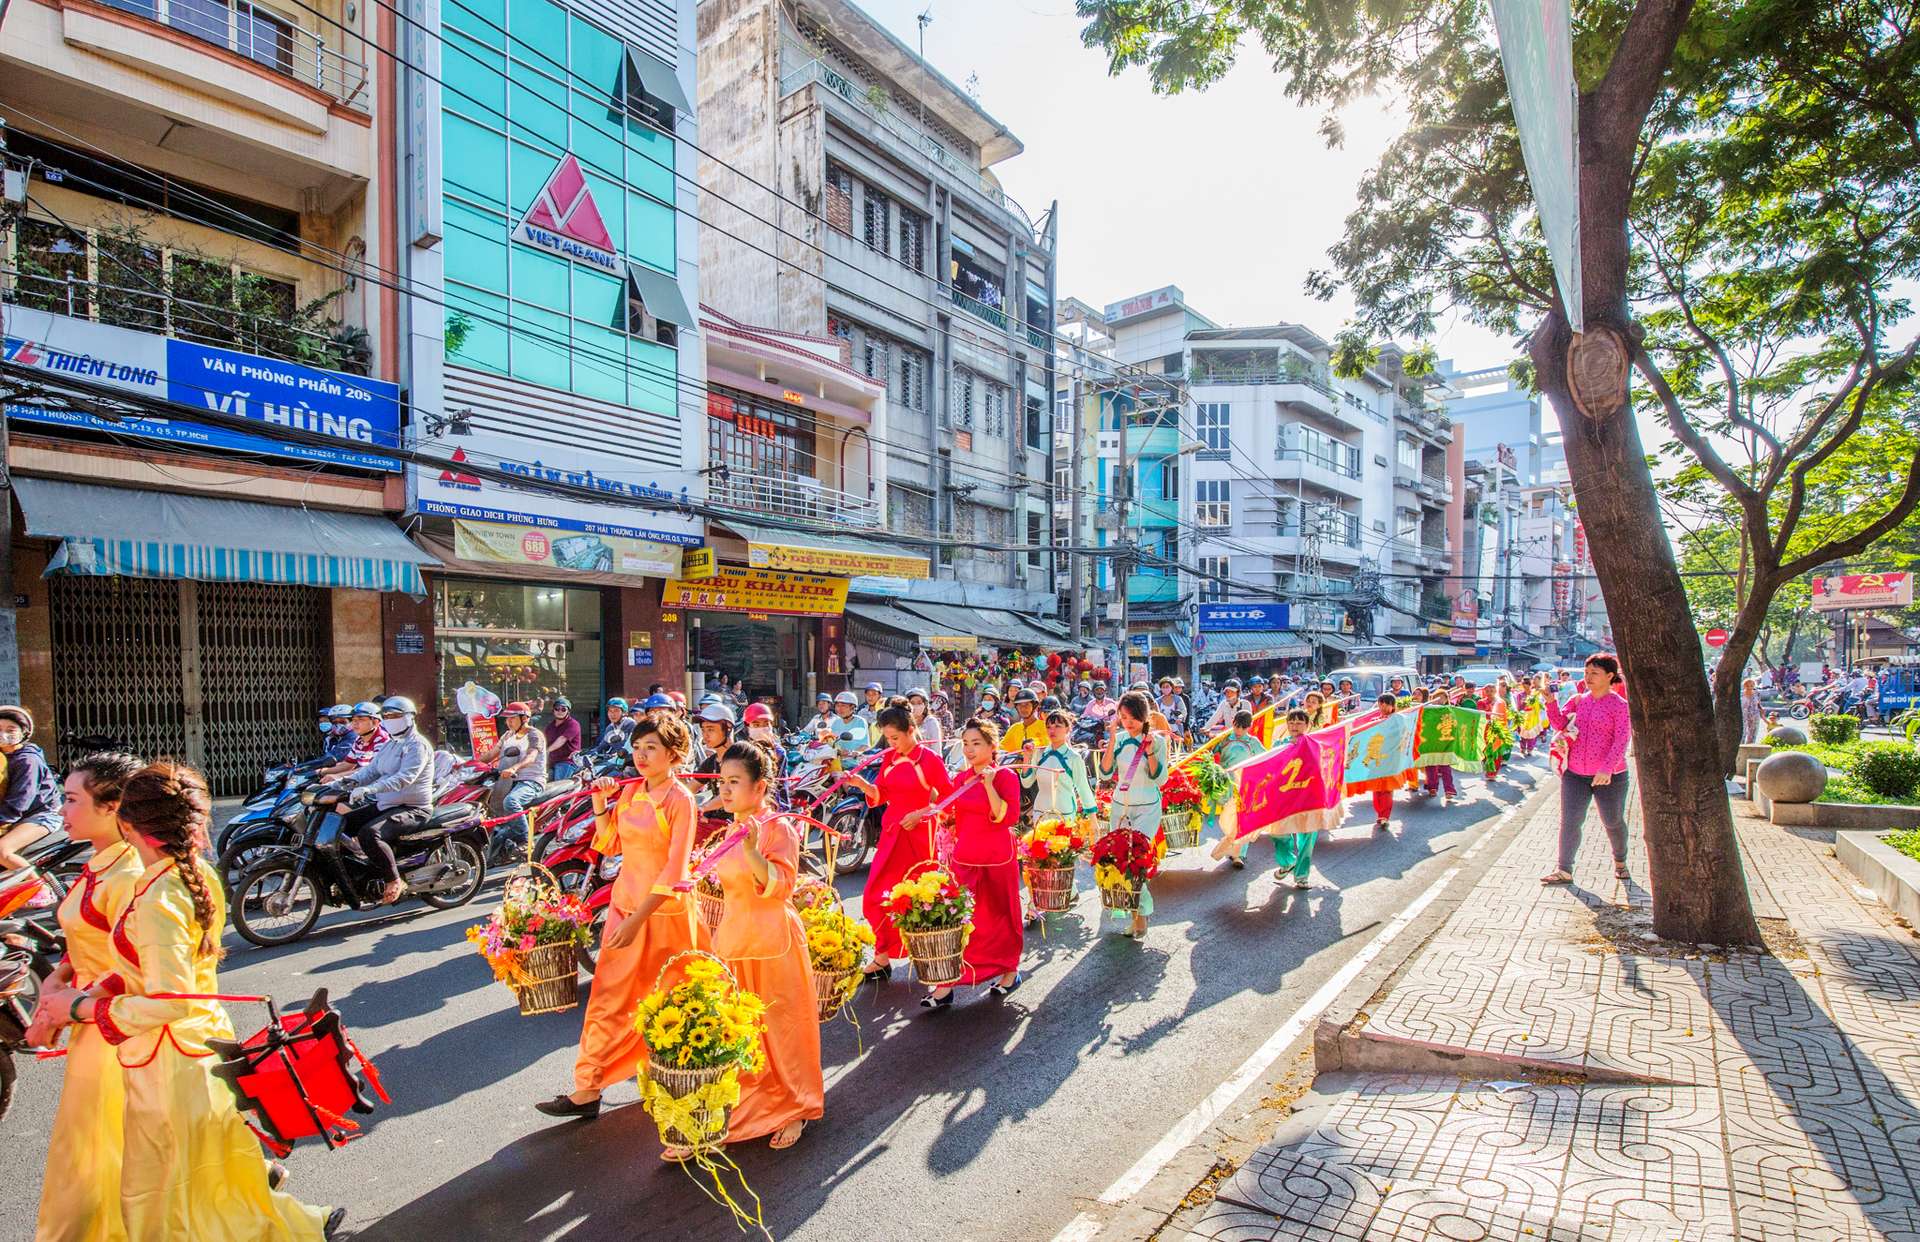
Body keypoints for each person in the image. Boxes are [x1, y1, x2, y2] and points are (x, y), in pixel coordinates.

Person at [43, 761, 340, 1239]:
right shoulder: (190, 874)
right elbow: (154, 974)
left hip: (170, 1063)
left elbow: (170, 1000)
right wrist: (98, 988)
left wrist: (79, 1008)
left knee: (162, 1196)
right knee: (213, 1183)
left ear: (126, 822)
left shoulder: (160, 894)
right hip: (196, 1046)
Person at [536, 716, 701, 1120]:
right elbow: (609, 844)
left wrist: (637, 921)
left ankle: (679, 1083)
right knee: (608, 999)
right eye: (638, 746)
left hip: (665, 916)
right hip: (624, 905)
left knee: (669, 1003)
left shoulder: (680, 800)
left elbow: (675, 873)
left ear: (674, 755)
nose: (641, 755)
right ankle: (588, 1087)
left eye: (651, 748)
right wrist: (600, 803)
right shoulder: (630, 792)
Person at [28, 751, 144, 1242]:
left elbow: (135, 966)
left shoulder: (129, 876)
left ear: (112, 806)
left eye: (72, 800)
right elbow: (87, 939)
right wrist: (58, 977)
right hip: (89, 1023)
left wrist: (69, 1003)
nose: (62, 812)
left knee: (98, 1156)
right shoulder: (98, 862)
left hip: (116, 1032)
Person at [700, 741, 824, 1152]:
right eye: (723, 781)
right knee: (741, 1032)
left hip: (773, 940)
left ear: (760, 787)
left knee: (783, 1029)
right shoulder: (730, 829)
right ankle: (750, 1099)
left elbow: (781, 886)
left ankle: (796, 1105)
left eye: (735, 782)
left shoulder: (777, 827)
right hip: (733, 939)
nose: (727, 790)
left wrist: (752, 850)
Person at [846, 704, 953, 981]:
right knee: (875, 895)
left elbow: (950, 799)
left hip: (920, 837)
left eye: (895, 738)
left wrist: (921, 813)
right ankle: (883, 955)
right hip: (893, 832)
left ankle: (927, 954)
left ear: (911, 730)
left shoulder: (929, 760)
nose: (892, 744)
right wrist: (862, 785)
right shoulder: (890, 759)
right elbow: (881, 793)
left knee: (917, 900)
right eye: (888, 739)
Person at [922, 719, 1023, 1008]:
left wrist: (989, 785)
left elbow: (1007, 817)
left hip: (997, 857)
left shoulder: (1005, 777)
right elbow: (956, 815)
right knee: (962, 920)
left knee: (1002, 915)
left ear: (993, 747)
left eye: (976, 743)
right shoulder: (960, 779)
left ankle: (1008, 970)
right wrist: (941, 815)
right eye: (965, 743)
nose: (969, 749)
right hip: (965, 856)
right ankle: (947, 983)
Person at [1541, 653, 1634, 885]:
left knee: (1612, 821)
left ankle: (1620, 861)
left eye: (1595, 673)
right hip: (1574, 774)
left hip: (1610, 776)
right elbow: (1560, 724)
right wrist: (1550, 702)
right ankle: (1564, 869)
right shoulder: (1578, 700)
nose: (1588, 677)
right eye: (1586, 672)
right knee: (1570, 821)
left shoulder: (1620, 706)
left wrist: (1606, 769)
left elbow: (1621, 740)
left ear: (1610, 676)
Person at [336, 696, 435, 905]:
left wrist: (370, 789)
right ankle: (362, 871)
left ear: (410, 718)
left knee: (370, 833)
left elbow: (405, 778)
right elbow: (370, 771)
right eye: (387, 716)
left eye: (396, 716)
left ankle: (394, 880)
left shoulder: (417, 745)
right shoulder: (390, 744)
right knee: (339, 824)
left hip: (413, 808)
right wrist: (339, 784)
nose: (390, 719)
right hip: (386, 804)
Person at [1097, 691, 1170, 939]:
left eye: (1132, 717)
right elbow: (1105, 773)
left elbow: (1160, 778)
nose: (1128, 722)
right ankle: (1135, 914)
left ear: (1144, 715)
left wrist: (1149, 751)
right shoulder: (1117, 740)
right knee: (1119, 859)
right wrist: (1110, 739)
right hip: (1121, 807)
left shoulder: (1157, 741)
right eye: (1123, 717)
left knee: (1137, 860)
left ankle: (1141, 914)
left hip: (1148, 807)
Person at [0, 705, 63, 872]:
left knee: (1, 851)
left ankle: (40, 892)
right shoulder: (3, 756)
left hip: (41, 815)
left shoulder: (27, 760)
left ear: (24, 733)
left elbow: (19, 803)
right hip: (15, 816)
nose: (3, 733)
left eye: (11, 729)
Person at [482, 702, 548, 862]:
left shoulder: (534, 735)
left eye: (512, 718)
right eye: (507, 719)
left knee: (511, 802)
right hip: (509, 782)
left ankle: (526, 841)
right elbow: (491, 754)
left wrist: (514, 768)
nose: (508, 722)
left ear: (524, 718)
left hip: (531, 781)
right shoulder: (507, 736)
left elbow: (531, 757)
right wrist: (466, 766)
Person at [1269, 709, 1322, 889]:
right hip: (1284, 799)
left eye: (1299, 723)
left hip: (1309, 800)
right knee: (1278, 833)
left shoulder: (1315, 745)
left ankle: (1302, 876)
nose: (1294, 726)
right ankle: (1287, 862)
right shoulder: (1279, 744)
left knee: (1306, 839)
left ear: (1308, 725)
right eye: (1291, 722)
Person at [1024, 709, 1098, 824]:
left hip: (1064, 814)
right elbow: (1026, 783)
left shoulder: (1074, 757)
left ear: (1068, 729)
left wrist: (1093, 820)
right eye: (1048, 727)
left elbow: (1083, 788)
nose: (1052, 731)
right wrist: (1027, 758)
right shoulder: (1039, 754)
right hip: (1040, 813)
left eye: (1057, 726)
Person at [1215, 709, 1266, 870]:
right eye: (1237, 726)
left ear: (1249, 727)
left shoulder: (1253, 742)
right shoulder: (1224, 739)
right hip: (1225, 782)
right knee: (1227, 817)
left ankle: (1239, 854)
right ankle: (1231, 845)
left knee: (1242, 818)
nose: (1239, 730)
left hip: (1245, 784)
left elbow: (1264, 758)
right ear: (1233, 723)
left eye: (1243, 728)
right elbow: (1211, 753)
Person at [316, 702, 388, 781]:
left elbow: (370, 770)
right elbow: (348, 764)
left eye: (361, 719)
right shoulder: (359, 740)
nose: (355, 723)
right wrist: (320, 772)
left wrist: (338, 776)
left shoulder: (383, 741)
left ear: (375, 722)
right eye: (353, 719)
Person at [1413, 687, 1459, 806]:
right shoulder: (1426, 710)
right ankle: (1432, 788)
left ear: (1446, 700)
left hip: (1444, 744)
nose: (1439, 701)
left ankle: (1449, 790)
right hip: (1430, 743)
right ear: (1432, 699)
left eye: (1442, 699)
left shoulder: (1449, 711)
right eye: (1437, 699)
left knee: (1445, 767)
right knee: (1431, 767)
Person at [1365, 693, 1404, 833]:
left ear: (1392, 706)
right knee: (1377, 788)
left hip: (1391, 759)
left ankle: (1384, 816)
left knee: (1387, 788)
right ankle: (1380, 813)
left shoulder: (1399, 720)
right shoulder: (1375, 720)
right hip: (1377, 760)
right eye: (1380, 703)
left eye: (1386, 703)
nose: (1383, 706)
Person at [584, 698, 636, 764]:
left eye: (616, 711)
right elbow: (603, 745)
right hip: (613, 762)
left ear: (624, 712)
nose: (612, 714)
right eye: (610, 711)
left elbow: (631, 745)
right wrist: (588, 753)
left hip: (627, 763)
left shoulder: (631, 724)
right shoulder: (610, 727)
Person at [999, 688, 1048, 755]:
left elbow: (1049, 743)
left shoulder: (1046, 726)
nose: (1023, 708)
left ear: (1035, 706)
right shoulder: (1014, 728)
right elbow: (1002, 748)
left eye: (1027, 704)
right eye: (1019, 705)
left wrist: (1034, 743)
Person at [546, 698, 583, 779]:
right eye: (557, 709)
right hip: (552, 762)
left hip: (567, 762)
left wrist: (546, 751)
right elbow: (544, 742)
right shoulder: (550, 726)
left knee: (559, 787)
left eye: (563, 709)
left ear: (568, 711)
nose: (560, 711)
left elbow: (562, 739)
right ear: (553, 710)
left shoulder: (573, 724)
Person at [1741, 677, 1765, 744]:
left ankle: (1750, 745)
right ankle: (1741, 745)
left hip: (1755, 713)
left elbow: (1758, 703)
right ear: (1744, 686)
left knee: (1753, 731)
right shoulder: (1741, 694)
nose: (1749, 687)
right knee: (1743, 730)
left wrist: (1761, 709)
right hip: (1743, 713)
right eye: (1747, 685)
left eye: (1751, 685)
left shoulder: (1757, 693)